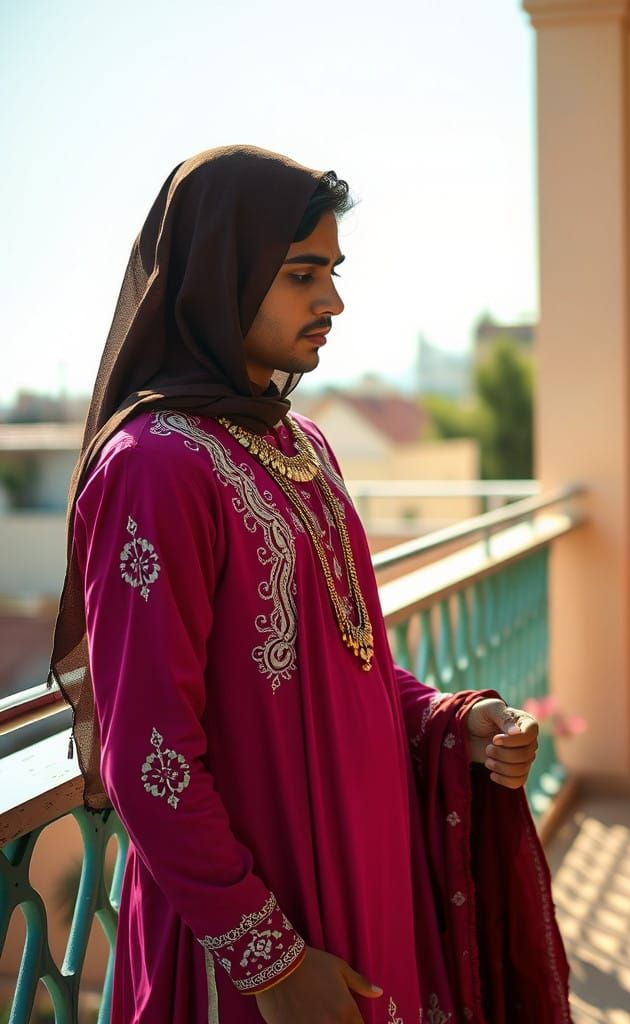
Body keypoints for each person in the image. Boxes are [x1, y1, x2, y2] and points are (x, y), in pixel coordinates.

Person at [48, 146, 571, 1024]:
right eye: (302, 274)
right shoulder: (156, 469)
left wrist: (447, 721)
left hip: (363, 893)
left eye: (332, 271)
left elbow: (347, 666)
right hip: (250, 939)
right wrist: (273, 962)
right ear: (224, 272)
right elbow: (148, 757)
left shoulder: (304, 448)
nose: (333, 300)